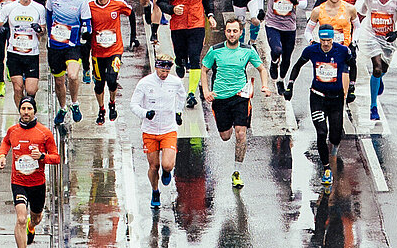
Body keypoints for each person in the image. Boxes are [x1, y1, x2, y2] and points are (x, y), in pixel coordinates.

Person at [199, 17, 271, 190]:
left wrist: (265, 86)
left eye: (235, 31)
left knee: (241, 134)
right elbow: (204, 70)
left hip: (241, 96)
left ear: (240, 32)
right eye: (229, 31)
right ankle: (228, 125)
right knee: (226, 136)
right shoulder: (215, 51)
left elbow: (261, 69)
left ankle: (237, 172)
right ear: (225, 32)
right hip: (220, 98)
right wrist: (206, 92)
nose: (232, 34)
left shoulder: (248, 50)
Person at [0, 97, 61, 248]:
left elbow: (56, 157)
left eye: (29, 108)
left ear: (34, 111)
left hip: (37, 184)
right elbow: (6, 142)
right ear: (19, 111)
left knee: (36, 218)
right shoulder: (13, 131)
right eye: (23, 108)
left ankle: (32, 227)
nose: (26, 112)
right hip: (18, 182)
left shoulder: (44, 133)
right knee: (20, 218)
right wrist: (2, 156)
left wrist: (42, 156)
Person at [287, 23, 352, 193]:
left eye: (328, 40)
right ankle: (326, 169)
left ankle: (334, 151)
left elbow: (353, 66)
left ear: (333, 39)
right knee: (322, 133)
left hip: (336, 98)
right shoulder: (312, 51)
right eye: (322, 40)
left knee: (335, 135)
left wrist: (351, 88)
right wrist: (290, 86)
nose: (325, 44)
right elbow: (297, 66)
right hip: (317, 97)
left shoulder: (342, 51)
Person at [157, 0, 214, 109]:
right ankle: (179, 62)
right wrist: (172, 9)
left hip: (197, 25)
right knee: (181, 55)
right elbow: (161, 1)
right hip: (178, 26)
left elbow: (208, 1)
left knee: (195, 57)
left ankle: (191, 93)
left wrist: (210, 15)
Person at [131, 53, 185, 208]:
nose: (164, 74)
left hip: (168, 129)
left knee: (167, 164)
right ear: (156, 67)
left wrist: (178, 112)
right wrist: (145, 113)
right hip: (150, 130)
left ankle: (167, 172)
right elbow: (133, 105)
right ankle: (155, 191)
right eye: (162, 70)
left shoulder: (175, 82)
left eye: (167, 71)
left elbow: (182, 96)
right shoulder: (145, 83)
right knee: (154, 166)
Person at [45, 0, 93, 125]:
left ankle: (75, 103)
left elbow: (87, 21)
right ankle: (63, 107)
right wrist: (49, 34)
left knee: (72, 75)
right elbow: (48, 17)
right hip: (55, 45)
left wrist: (86, 32)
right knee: (59, 81)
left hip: (72, 45)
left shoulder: (81, 1)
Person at [89, 0, 135, 124]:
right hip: (97, 52)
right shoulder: (89, 6)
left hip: (115, 50)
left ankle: (112, 103)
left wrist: (133, 36)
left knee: (112, 79)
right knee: (99, 83)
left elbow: (131, 12)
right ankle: (101, 109)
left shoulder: (117, 4)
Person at [0, 0, 46, 106]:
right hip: (14, 53)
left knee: (31, 89)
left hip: (31, 54)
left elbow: (43, 29)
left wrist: (39, 29)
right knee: (18, 88)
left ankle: (29, 110)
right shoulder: (10, 7)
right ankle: (21, 115)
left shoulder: (39, 8)